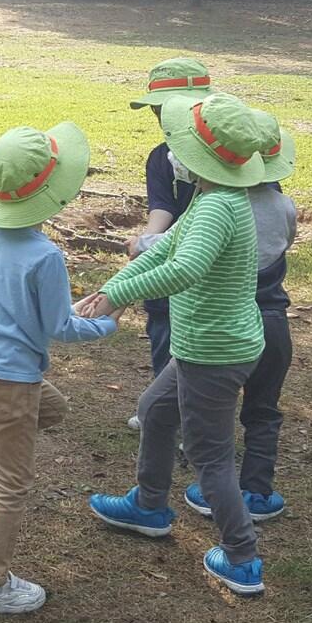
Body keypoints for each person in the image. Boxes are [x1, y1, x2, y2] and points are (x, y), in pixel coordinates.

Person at [81, 92, 273, 597]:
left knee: (210, 457)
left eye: (179, 149)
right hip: (202, 347)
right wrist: (111, 288)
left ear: (198, 160)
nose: (172, 156)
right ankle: (149, 505)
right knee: (155, 409)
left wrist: (118, 295)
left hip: (214, 352)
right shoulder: (210, 201)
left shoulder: (217, 209)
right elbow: (161, 250)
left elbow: (184, 270)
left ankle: (242, 558)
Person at [0, 123, 120, 616]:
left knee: (54, 408)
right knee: (12, 484)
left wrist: (74, 312)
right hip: (10, 376)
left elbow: (34, 311)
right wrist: (106, 324)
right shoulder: (45, 255)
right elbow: (59, 327)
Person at [185, 114, 296, 522]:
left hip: (231, 325)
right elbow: (285, 244)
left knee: (217, 410)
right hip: (275, 323)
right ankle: (258, 491)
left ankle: (218, 488)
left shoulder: (220, 207)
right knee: (264, 410)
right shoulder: (285, 206)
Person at [124, 58, 209, 430]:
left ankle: (192, 418)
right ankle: (162, 410)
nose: (159, 118)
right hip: (171, 250)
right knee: (161, 320)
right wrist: (145, 241)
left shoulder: (224, 156)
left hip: (207, 260)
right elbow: (163, 207)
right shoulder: (161, 156)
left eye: (167, 109)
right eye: (157, 110)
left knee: (200, 336)